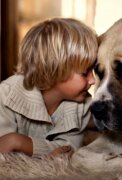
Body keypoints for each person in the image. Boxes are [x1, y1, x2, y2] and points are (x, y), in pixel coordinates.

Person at [0, 18, 98, 157]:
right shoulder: (7, 94)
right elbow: (3, 152)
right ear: (54, 70)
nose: (93, 80)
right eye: (85, 73)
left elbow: (69, 150)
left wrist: (19, 142)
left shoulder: (82, 104)